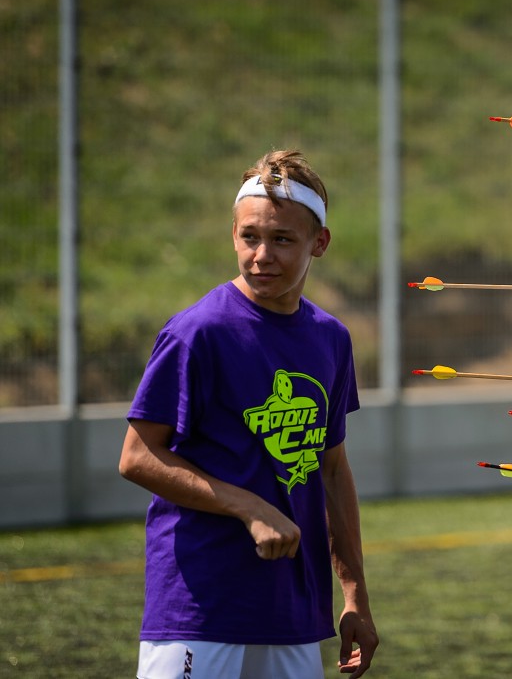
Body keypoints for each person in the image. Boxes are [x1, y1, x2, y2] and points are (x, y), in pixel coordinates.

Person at [119, 149, 378, 678]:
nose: (262, 255)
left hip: (293, 614)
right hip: (199, 609)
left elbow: (329, 469)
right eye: (249, 237)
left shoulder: (331, 339)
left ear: (319, 243)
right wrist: (248, 507)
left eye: (282, 239)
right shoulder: (198, 332)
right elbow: (136, 457)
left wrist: (354, 595)